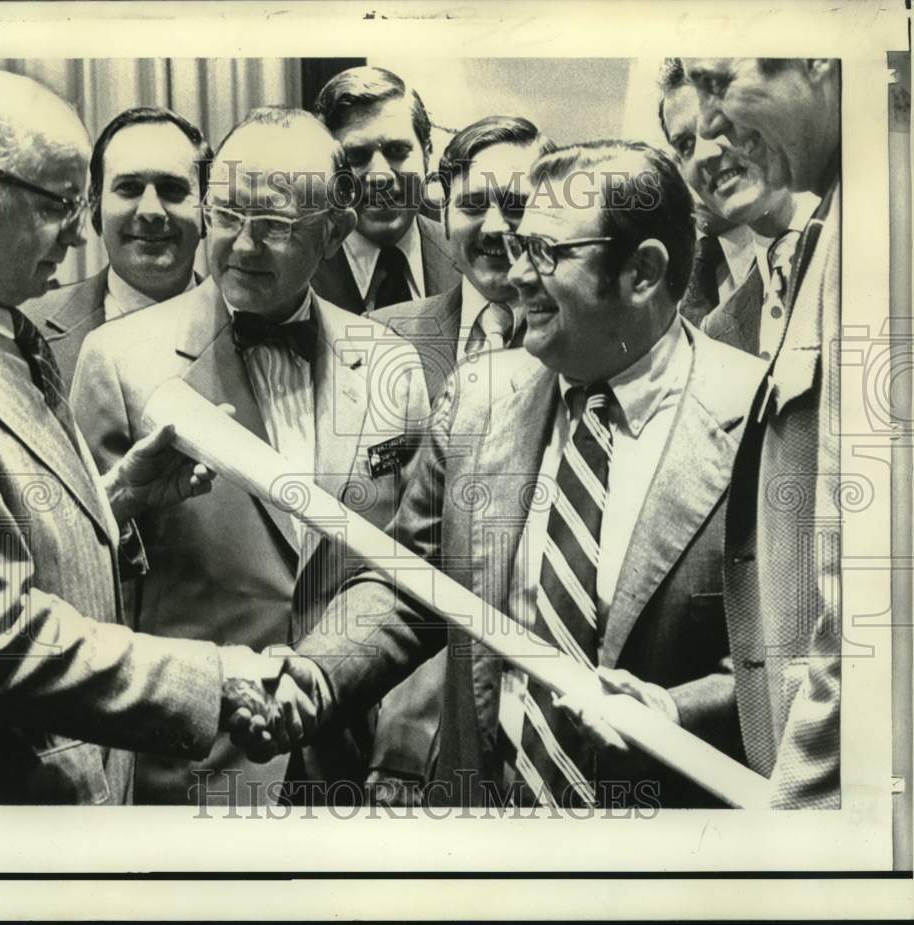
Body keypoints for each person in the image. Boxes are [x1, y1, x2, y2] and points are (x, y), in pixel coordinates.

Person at [241, 141, 766, 808]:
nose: (516, 275)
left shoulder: (761, 418)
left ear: (643, 271)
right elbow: (409, 586)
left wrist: (671, 713)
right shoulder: (479, 399)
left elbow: (791, 659)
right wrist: (315, 673)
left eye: (545, 252)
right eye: (520, 247)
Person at [0, 68, 275, 805]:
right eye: (57, 204)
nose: (80, 232)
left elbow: (7, 537)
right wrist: (210, 677)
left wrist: (111, 502)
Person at [71, 106, 435, 806]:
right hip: (192, 777)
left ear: (333, 232)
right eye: (227, 214)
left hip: (353, 776)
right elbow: (80, 585)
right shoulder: (119, 361)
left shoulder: (389, 362)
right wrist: (121, 508)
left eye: (272, 224)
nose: (242, 244)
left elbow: (416, 572)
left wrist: (402, 756)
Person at [683, 57, 842, 808]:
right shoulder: (724, 320)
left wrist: (799, 804)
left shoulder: (866, 235)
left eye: (720, 85)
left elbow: (870, 588)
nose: (710, 133)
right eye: (682, 141)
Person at [24, 107, 212, 391]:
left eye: (172, 189)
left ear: (208, 209)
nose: (150, 211)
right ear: (95, 204)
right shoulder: (24, 328)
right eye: (129, 188)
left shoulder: (249, 331)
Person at [372, 114, 555, 402]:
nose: (493, 227)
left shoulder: (584, 341)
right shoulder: (382, 335)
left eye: (516, 206)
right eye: (473, 205)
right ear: (444, 218)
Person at [659, 59, 818, 360]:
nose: (704, 154)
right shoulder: (717, 329)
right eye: (686, 145)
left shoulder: (880, 240)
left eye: (721, 122)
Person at [311, 66, 461, 313]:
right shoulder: (299, 268)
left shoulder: (465, 256)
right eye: (356, 156)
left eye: (397, 151)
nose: (380, 176)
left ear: (427, 154)